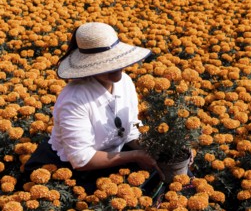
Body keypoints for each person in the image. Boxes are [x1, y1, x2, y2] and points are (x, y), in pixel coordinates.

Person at [22, 22, 164, 194]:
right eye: (106, 64)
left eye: (117, 61)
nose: (116, 68)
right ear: (88, 66)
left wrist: (160, 148)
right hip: (66, 170)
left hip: (111, 157)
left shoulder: (125, 82)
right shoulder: (74, 99)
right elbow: (81, 159)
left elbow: (131, 130)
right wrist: (135, 155)